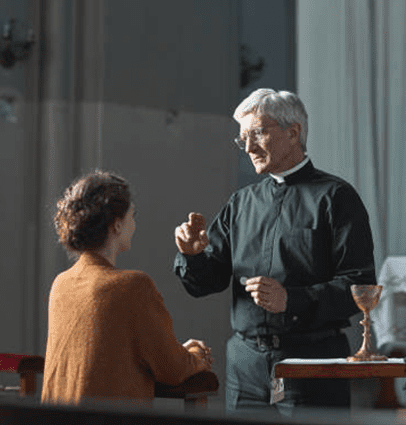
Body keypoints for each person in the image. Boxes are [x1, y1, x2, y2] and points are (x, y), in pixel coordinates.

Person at [173, 88, 376, 416]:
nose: (249, 147)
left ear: (293, 133)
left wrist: (291, 300)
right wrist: (193, 256)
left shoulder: (336, 198)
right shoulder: (240, 203)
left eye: (257, 134)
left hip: (312, 363)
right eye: (243, 139)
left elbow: (360, 285)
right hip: (245, 366)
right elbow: (206, 284)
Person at [42, 170, 212, 406]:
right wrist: (195, 357)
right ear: (116, 225)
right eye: (132, 215)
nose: (134, 222)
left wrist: (177, 352)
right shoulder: (133, 286)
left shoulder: (61, 284)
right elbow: (172, 369)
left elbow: (107, 355)